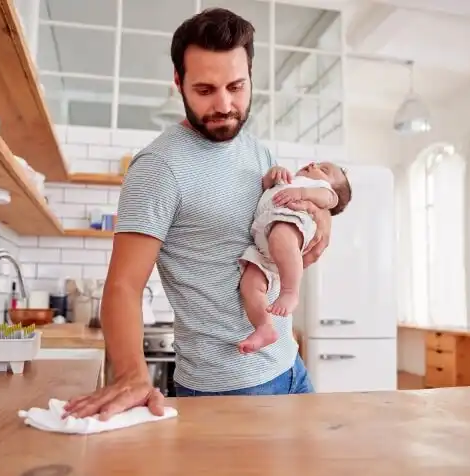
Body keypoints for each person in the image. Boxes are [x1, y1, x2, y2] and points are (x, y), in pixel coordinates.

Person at [63, 7, 333, 421]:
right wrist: (133, 375)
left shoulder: (256, 149)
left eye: (236, 86)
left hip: (290, 365)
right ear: (178, 83)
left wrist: (322, 214)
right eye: (205, 90)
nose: (225, 105)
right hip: (228, 387)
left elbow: (281, 216)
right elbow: (122, 286)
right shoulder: (159, 167)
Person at [237, 161, 352, 354]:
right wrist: (273, 175)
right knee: (249, 283)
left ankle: (290, 291)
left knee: (281, 237)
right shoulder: (289, 179)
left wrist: (302, 194)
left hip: (291, 221)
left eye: (323, 170)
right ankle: (264, 327)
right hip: (262, 239)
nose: (314, 164)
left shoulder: (317, 189)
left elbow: (329, 199)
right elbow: (264, 187)